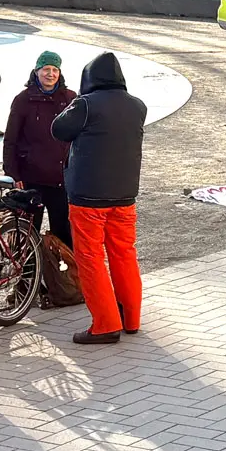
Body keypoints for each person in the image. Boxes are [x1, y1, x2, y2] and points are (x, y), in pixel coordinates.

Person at [51, 52, 148, 345]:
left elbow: (58, 129)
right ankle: (131, 318)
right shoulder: (138, 106)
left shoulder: (85, 105)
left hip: (88, 197)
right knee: (124, 254)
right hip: (125, 196)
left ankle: (106, 324)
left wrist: (77, 103)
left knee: (91, 258)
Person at [3, 51, 77, 249]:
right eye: (46, 69)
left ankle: (63, 269)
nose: (50, 74)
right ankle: (28, 269)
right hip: (31, 179)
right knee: (26, 234)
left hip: (61, 180)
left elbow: (79, 138)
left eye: (55, 70)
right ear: (36, 71)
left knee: (64, 235)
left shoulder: (70, 98)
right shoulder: (23, 100)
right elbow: (10, 139)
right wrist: (12, 173)